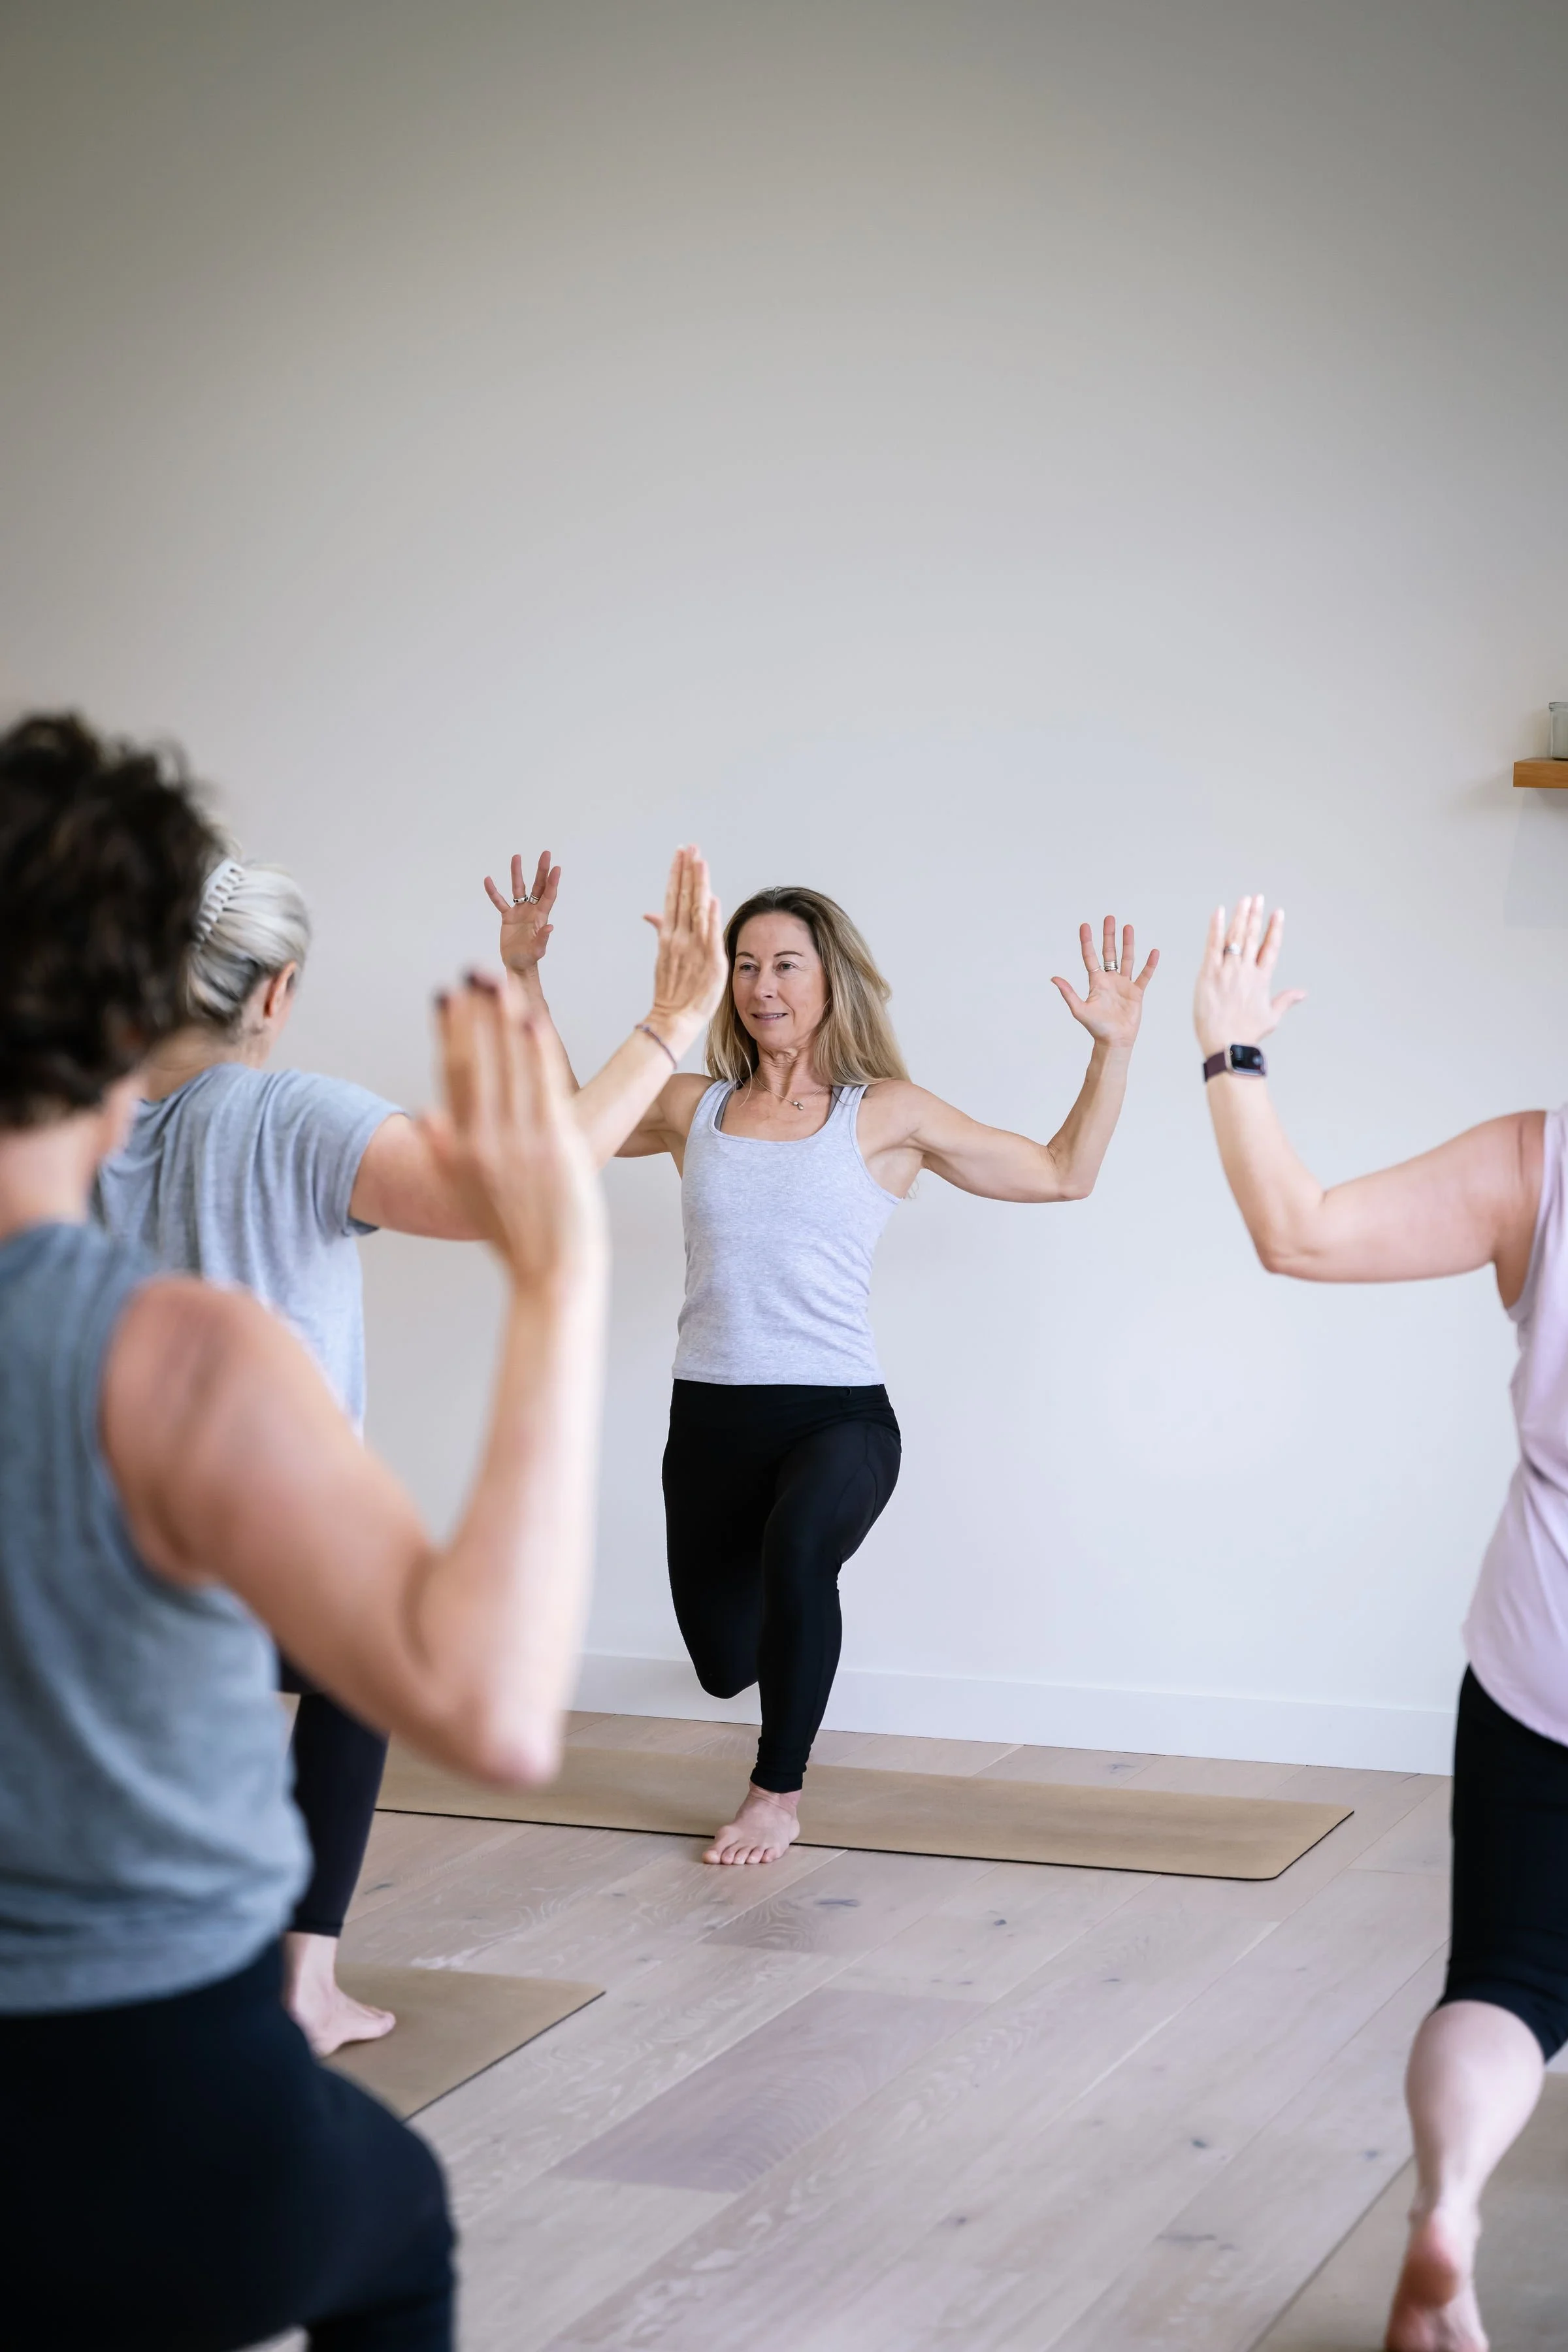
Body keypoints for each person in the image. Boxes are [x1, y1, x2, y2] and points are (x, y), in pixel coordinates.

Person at [0, 712, 604, 2351]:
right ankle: (305, 1975)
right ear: (145, 1007)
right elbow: (486, 1700)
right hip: (138, 2100)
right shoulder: (182, 1358)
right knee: (397, 2226)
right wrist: (561, 1282)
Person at [95, 830, 725, 2054]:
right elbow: (531, 1183)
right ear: (274, 991)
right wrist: (667, 1025)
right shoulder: (295, 1117)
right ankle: (299, 1980)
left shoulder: (76, 1125)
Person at [1194, 896, 1565, 2352]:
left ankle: (1454, 2206)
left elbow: (1301, 1233)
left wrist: (1230, 1053)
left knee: (1512, 1988)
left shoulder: (1536, 1159)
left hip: (1542, 1660)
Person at [614, 884, 1158, 1865]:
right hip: (708, 1427)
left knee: (799, 1555)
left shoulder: (887, 1115)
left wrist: (1111, 1046)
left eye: (786, 965)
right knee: (723, 1660)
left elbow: (1065, 1171)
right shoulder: (690, 1109)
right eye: (745, 966)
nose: (762, 986)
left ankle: (776, 1794)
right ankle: (767, 1686)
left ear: (832, 982)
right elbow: (556, 1128)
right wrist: (523, 978)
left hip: (838, 1420)